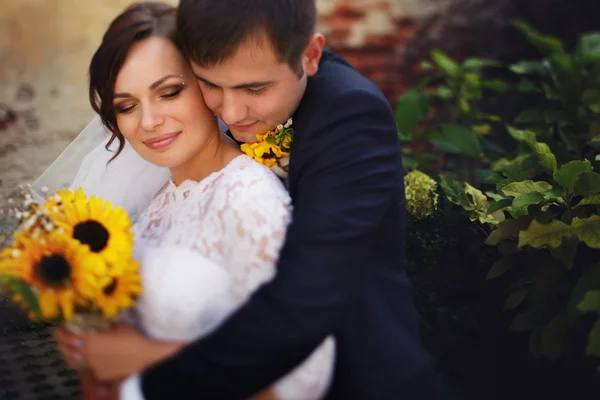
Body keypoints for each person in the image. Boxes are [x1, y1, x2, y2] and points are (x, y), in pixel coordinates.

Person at [88, 0, 443, 398]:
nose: (233, 113)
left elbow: (302, 302)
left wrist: (144, 378)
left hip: (361, 377)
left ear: (309, 56)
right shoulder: (176, 178)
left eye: (254, 89)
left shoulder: (349, 116)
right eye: (209, 84)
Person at [51, 3, 335, 399]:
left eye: (169, 92)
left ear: (207, 85)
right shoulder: (156, 203)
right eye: (126, 106)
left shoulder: (246, 199)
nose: (149, 120)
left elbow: (301, 376)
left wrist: (144, 357)